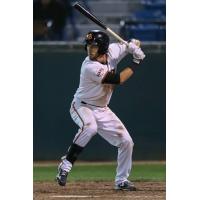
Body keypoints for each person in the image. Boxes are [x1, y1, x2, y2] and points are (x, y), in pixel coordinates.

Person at [56, 30, 145, 190]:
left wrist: (133, 44)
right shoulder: (90, 66)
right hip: (82, 105)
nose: (90, 49)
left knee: (126, 142)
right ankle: (66, 164)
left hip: (102, 109)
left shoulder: (112, 50)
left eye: (94, 46)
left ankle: (121, 181)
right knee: (90, 127)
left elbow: (129, 42)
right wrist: (136, 61)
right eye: (89, 46)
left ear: (103, 48)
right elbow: (117, 80)